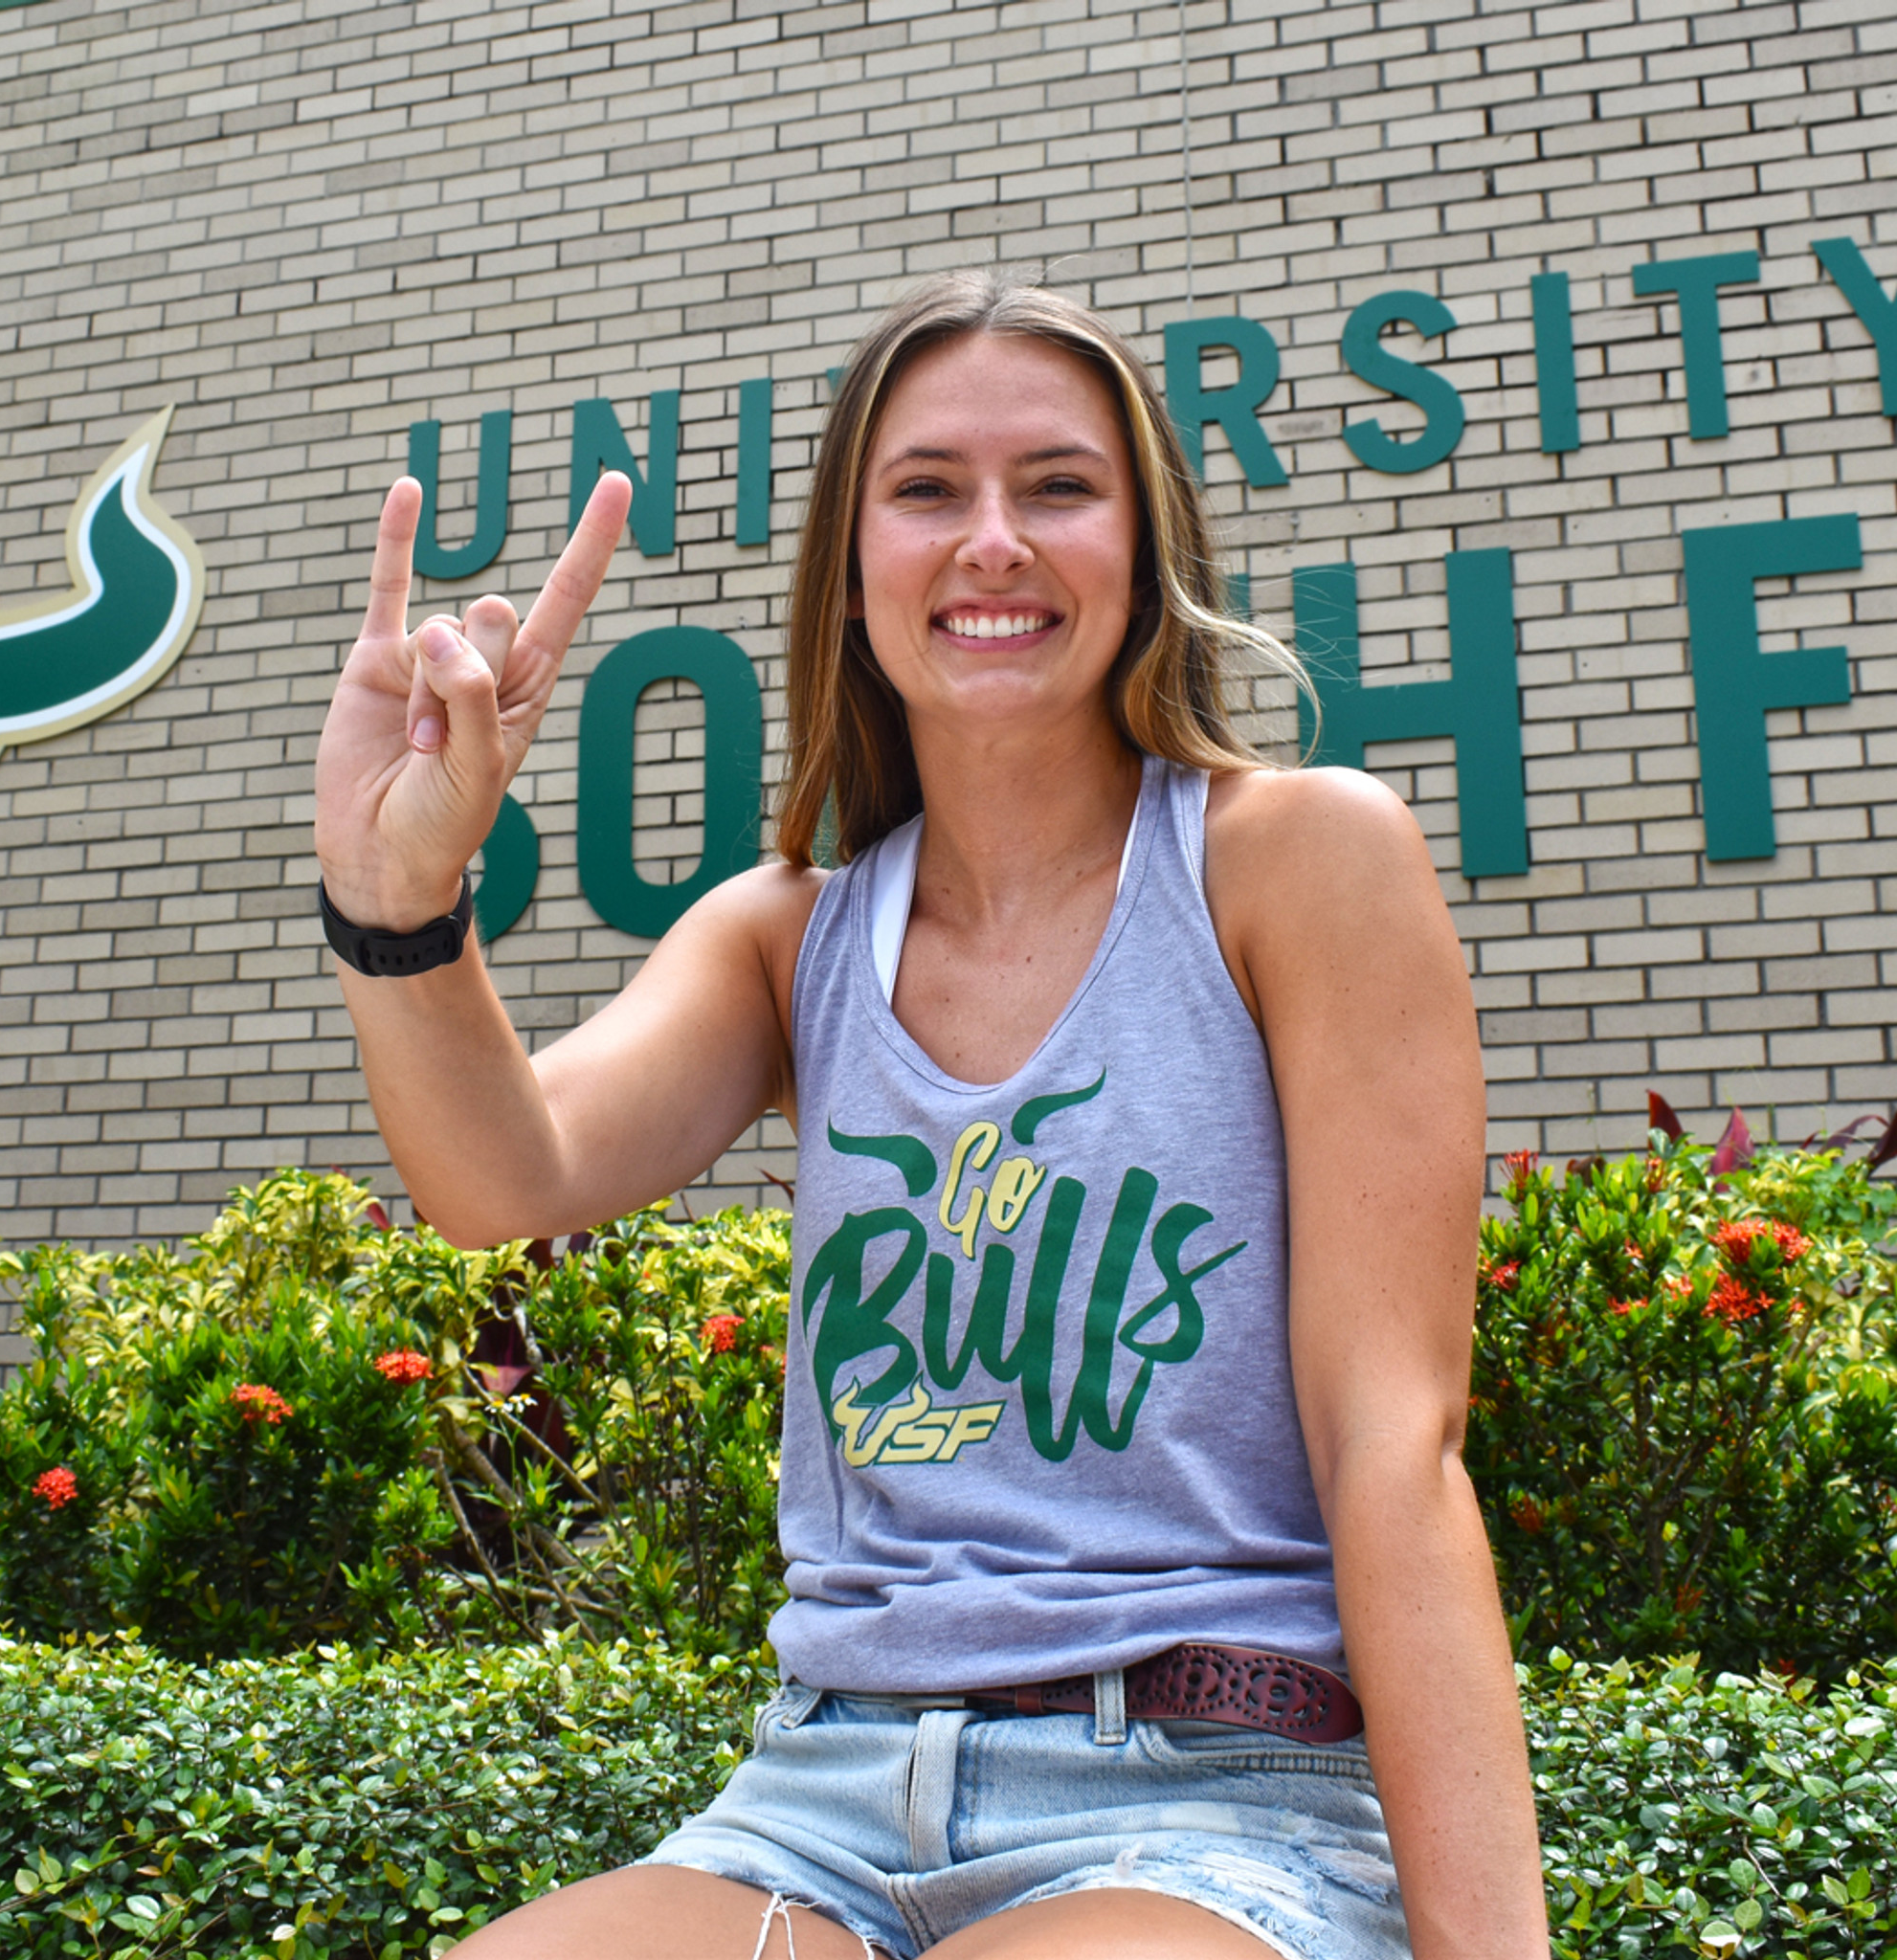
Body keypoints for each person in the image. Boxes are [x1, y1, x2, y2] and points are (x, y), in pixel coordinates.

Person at [314, 272, 1549, 1960]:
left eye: (1058, 486)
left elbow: (1391, 1451)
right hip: (816, 1805)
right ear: (853, 564)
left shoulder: (1296, 861)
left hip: (1211, 1795)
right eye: (926, 491)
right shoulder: (792, 933)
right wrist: (399, 897)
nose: (992, 542)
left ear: (1146, 543)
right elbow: (503, 1172)